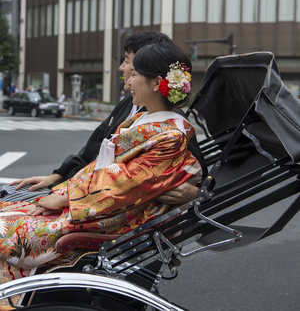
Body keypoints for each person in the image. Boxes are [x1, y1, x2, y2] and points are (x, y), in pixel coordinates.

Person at [0, 41, 202, 305]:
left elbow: (124, 184)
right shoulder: (143, 118)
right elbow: (100, 166)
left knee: (6, 231)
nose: (128, 80)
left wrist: (65, 199)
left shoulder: (171, 134)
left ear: (156, 84)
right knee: (7, 209)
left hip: (109, 219)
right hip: (94, 206)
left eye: (135, 74)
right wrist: (62, 189)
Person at [1, 31, 203, 204]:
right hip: (82, 191)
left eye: (127, 61)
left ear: (149, 70)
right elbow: (94, 149)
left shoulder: (170, 126)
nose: (122, 68)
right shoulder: (131, 106)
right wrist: (57, 176)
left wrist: (196, 191)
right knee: (9, 195)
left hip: (95, 203)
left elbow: (126, 183)